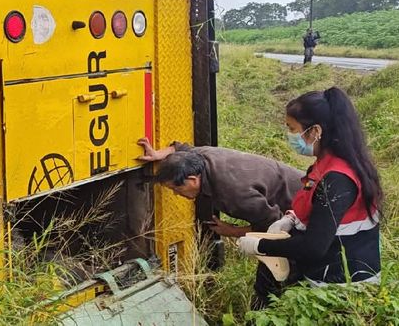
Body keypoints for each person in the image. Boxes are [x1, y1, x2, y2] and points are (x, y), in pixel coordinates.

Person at [237, 87, 382, 309]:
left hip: (341, 284)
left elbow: (314, 247)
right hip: (328, 269)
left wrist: (261, 245)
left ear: (315, 131)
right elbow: (322, 212)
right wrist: (292, 219)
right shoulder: (325, 164)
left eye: (292, 129)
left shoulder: (337, 178)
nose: (289, 135)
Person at [137, 139, 304, 237]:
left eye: (176, 188)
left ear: (193, 180)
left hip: (307, 204)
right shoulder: (200, 156)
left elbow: (272, 223)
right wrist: (158, 154)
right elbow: (180, 148)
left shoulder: (233, 193)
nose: (175, 194)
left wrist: (233, 231)